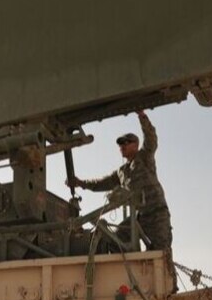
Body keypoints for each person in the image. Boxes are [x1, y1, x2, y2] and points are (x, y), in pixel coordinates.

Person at [67, 110, 174, 288]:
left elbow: (151, 139)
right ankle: (133, 279)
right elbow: (101, 183)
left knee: (162, 251)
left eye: (126, 143)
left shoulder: (144, 158)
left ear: (135, 145)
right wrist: (80, 183)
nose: (122, 146)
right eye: (120, 144)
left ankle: (170, 288)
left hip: (157, 212)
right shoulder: (122, 171)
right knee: (116, 239)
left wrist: (142, 116)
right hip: (140, 217)